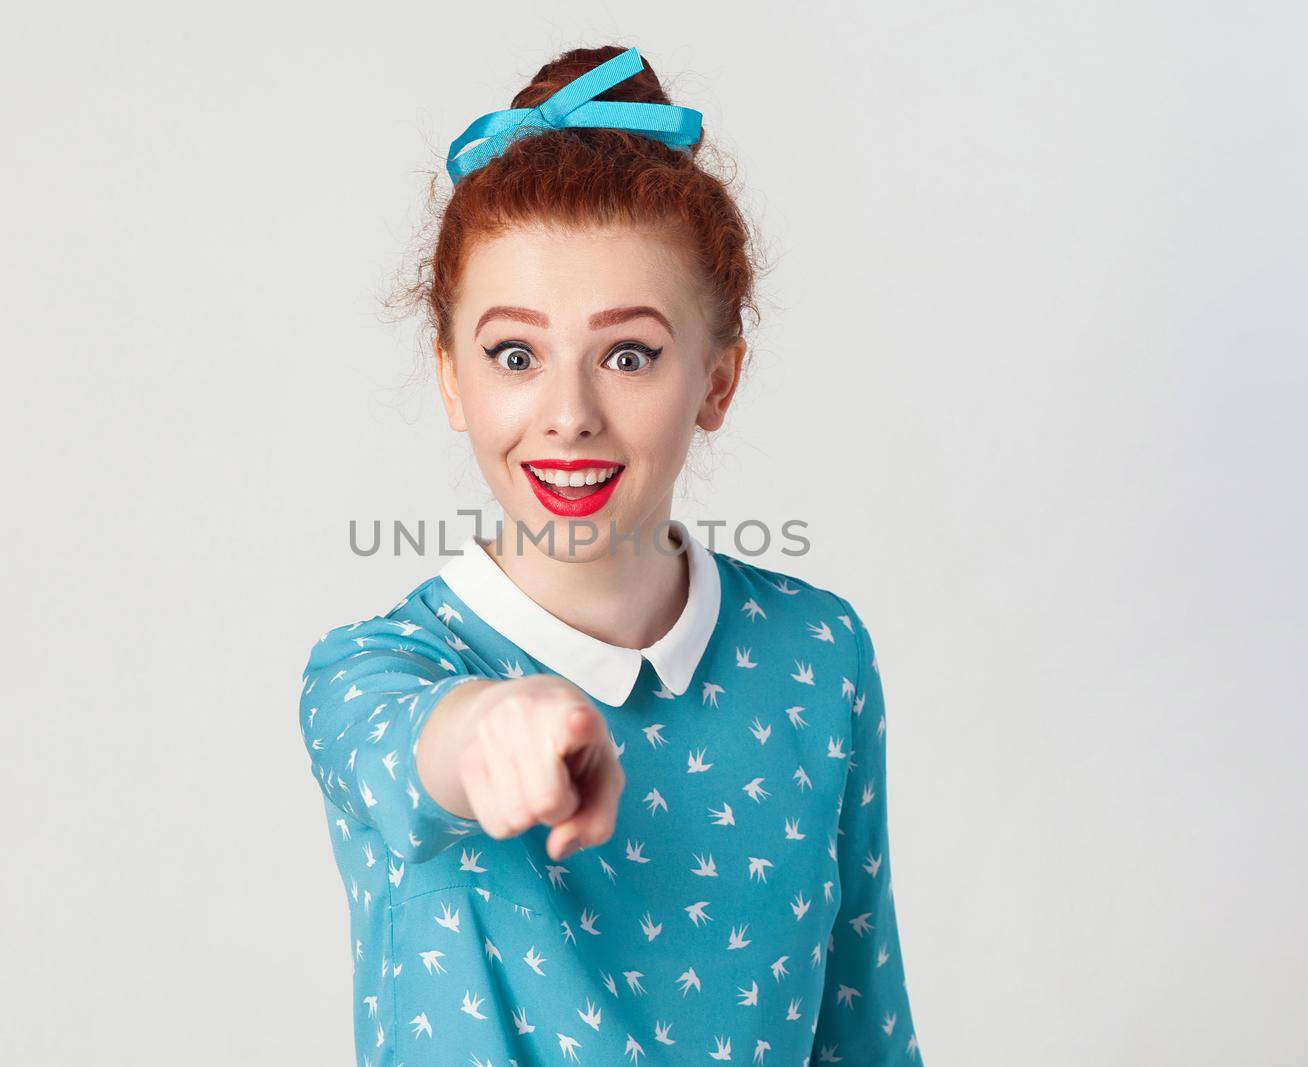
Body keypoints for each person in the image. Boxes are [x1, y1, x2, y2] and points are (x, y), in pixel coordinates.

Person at [297, 44, 926, 1066]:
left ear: (716, 382)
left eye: (628, 355)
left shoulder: (821, 654)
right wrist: (498, 723)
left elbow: (863, 1025)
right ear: (452, 378)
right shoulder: (374, 672)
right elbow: (421, 747)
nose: (569, 415)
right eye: (514, 355)